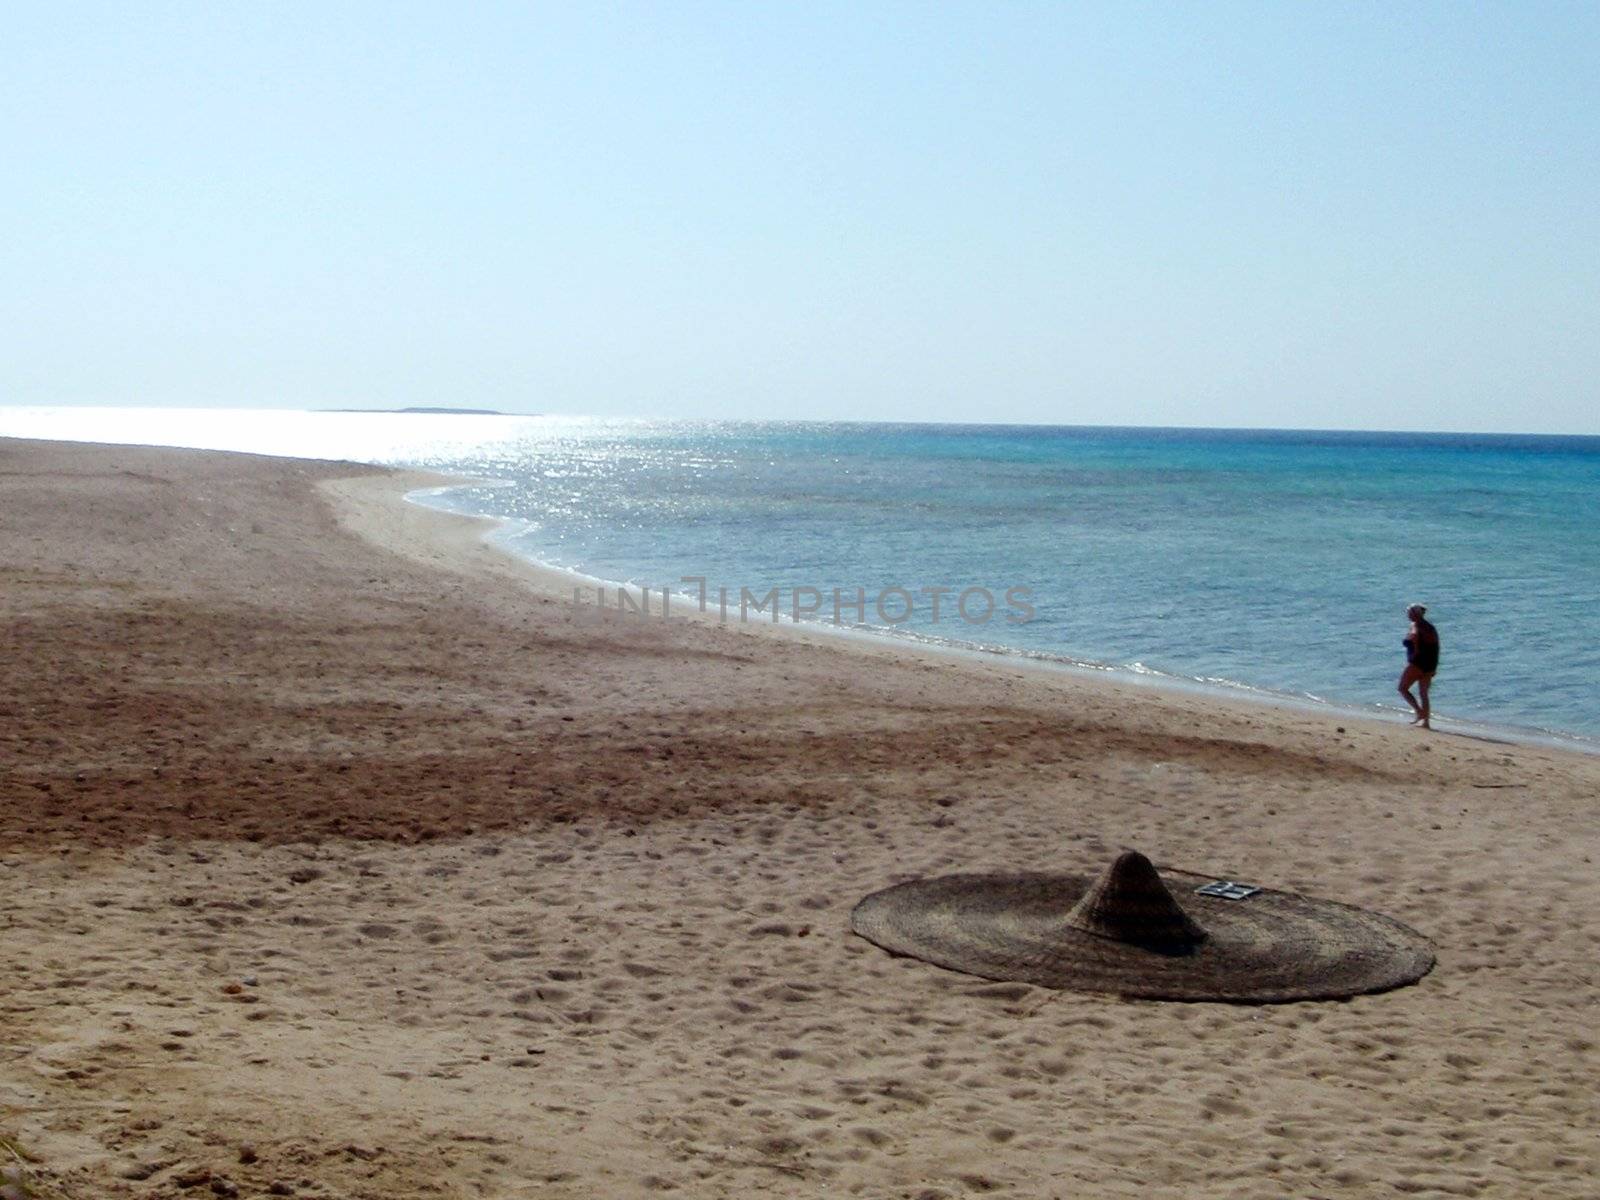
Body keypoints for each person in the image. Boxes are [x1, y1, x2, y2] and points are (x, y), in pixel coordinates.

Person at [1399, 604, 1440, 729]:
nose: (1408, 615)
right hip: (1430, 663)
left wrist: (1415, 651)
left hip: (1417, 662)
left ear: (1414, 614)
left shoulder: (1415, 626)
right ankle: (1426, 722)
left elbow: (1415, 637)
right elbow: (1436, 647)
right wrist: (1434, 667)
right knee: (1423, 693)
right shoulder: (1431, 627)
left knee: (1403, 688)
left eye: (1409, 613)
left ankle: (1419, 711)